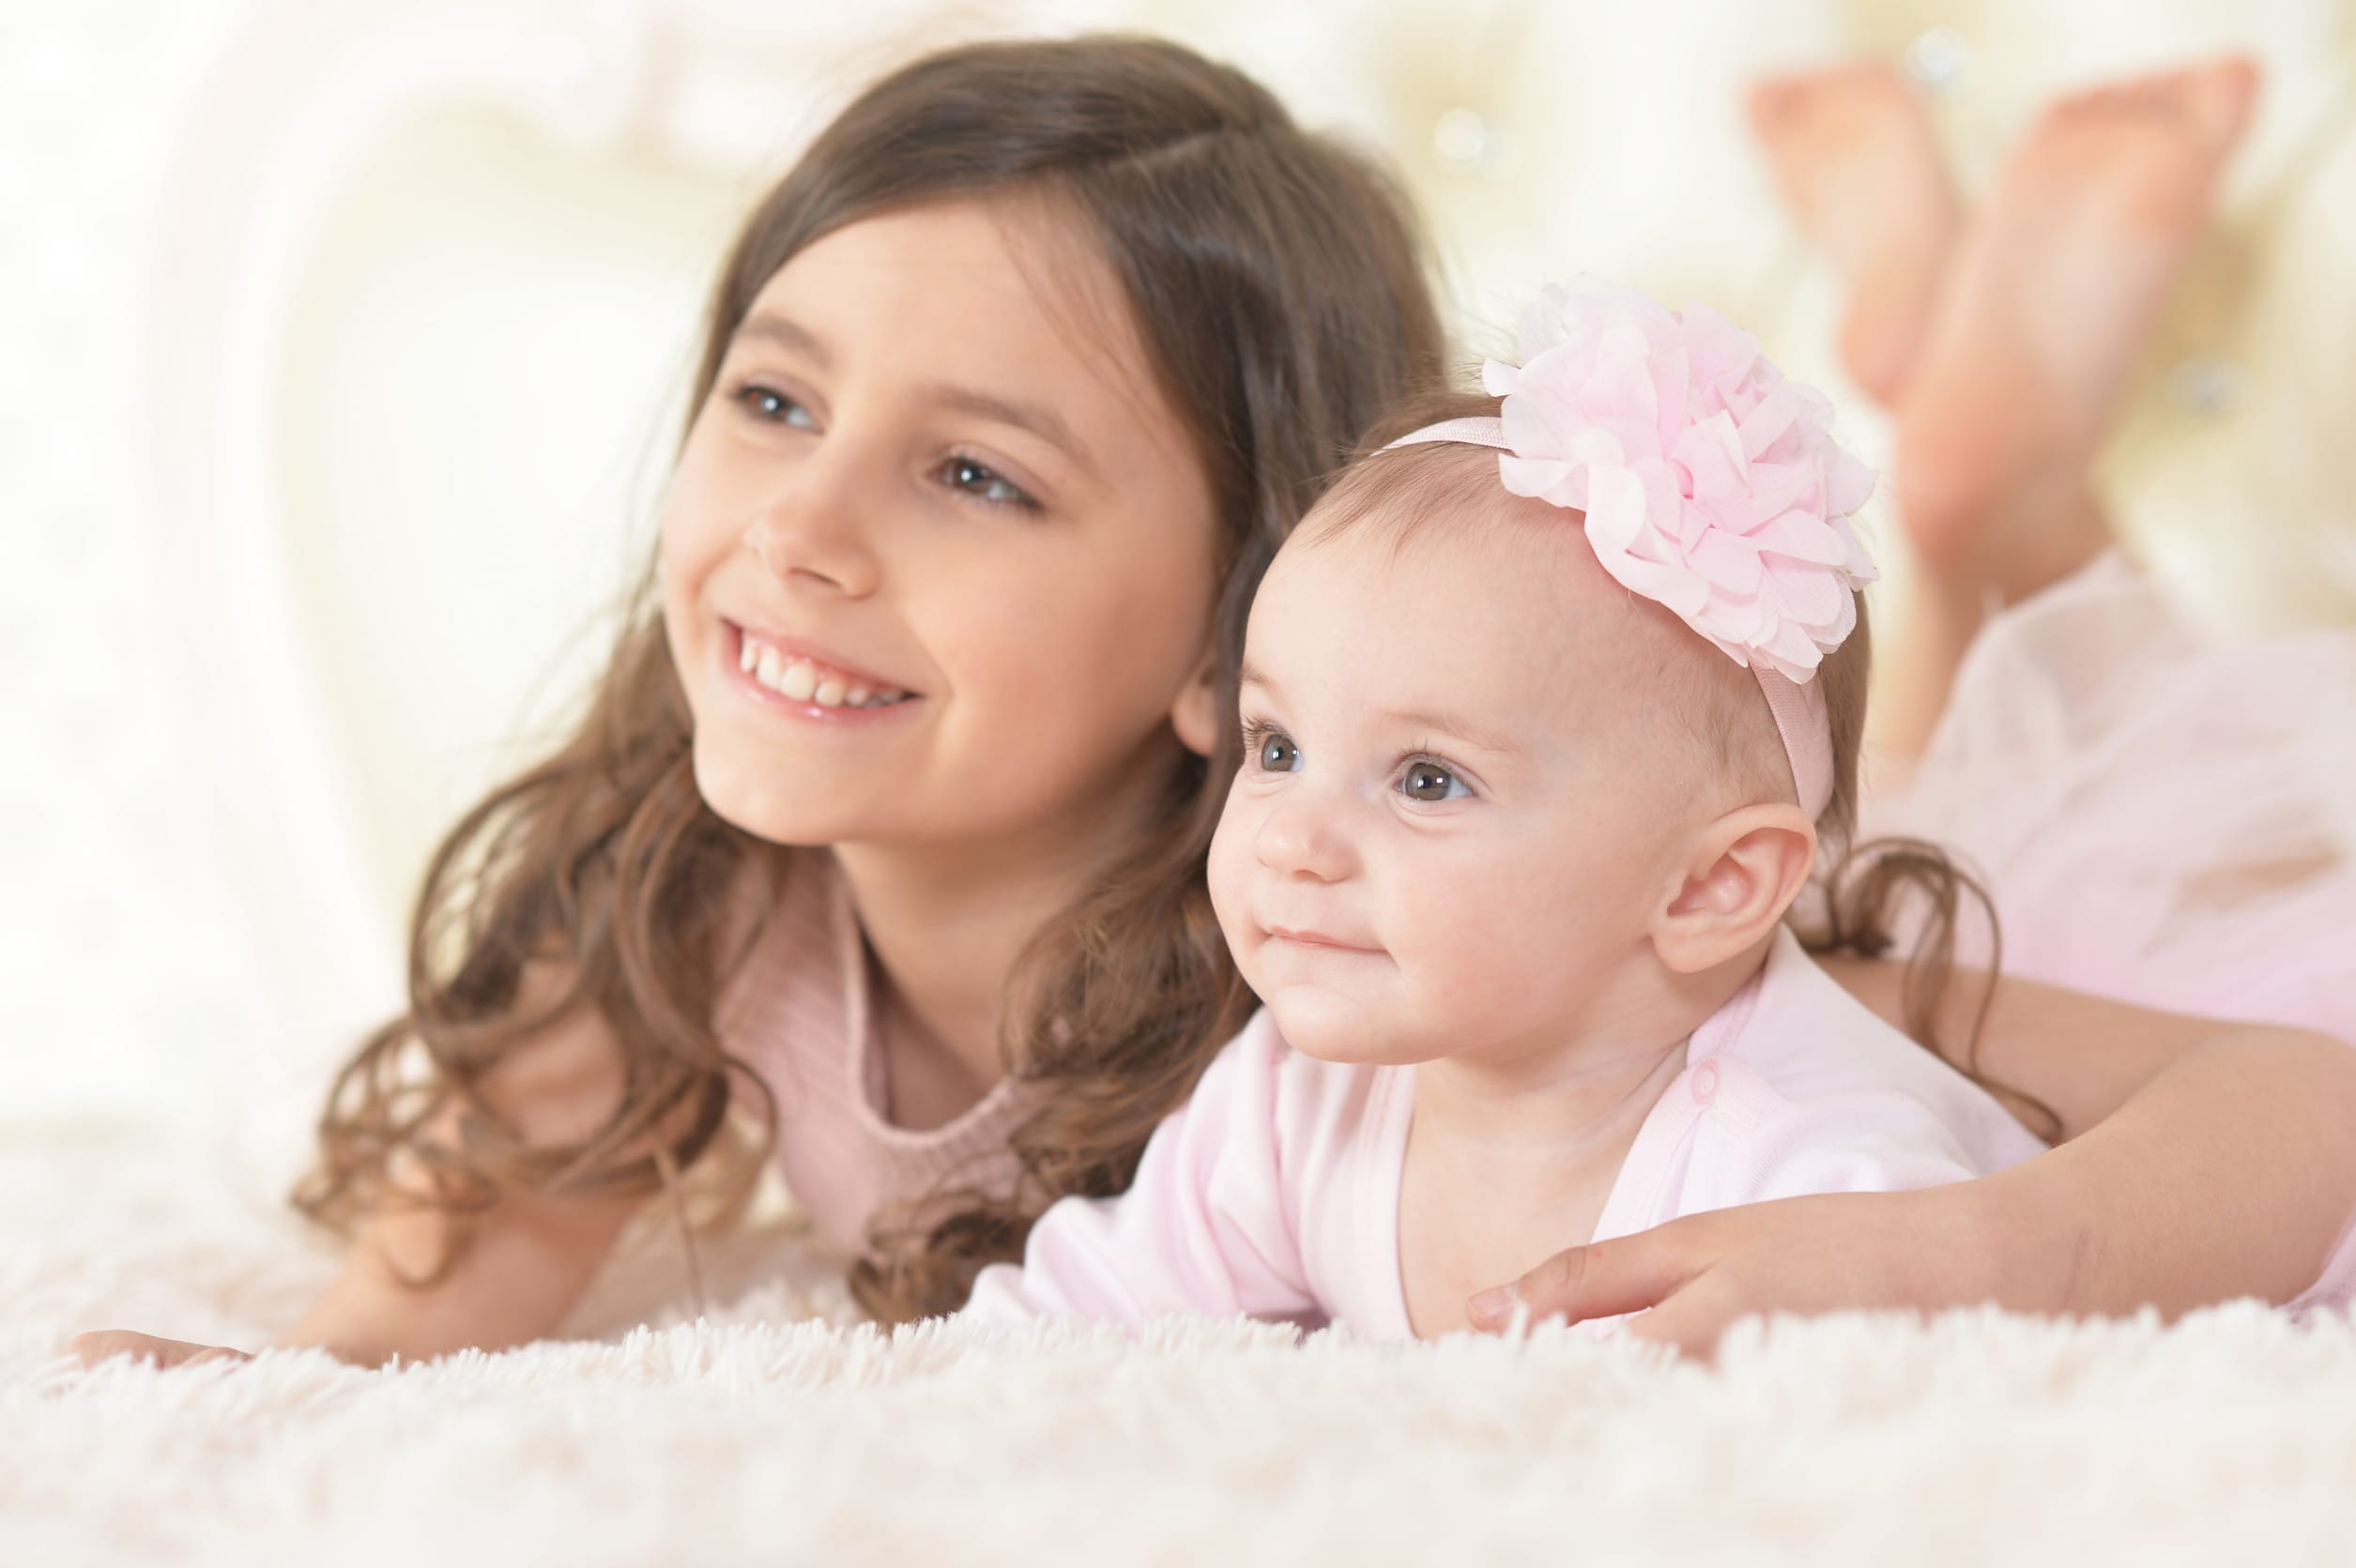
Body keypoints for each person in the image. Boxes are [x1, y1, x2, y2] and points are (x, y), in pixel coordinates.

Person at [71, 38, 2356, 1372]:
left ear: (1233, 628)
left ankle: (1980, 482)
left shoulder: (1500, 915)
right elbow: (407, 1331)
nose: (805, 528)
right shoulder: (683, 895)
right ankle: (1954, 439)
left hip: (1741, 855)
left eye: (974, 471)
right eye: (771, 399)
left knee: (1940, 797)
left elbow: (2292, 1097)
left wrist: (1952, 1249)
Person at [968, 285, 2076, 1336]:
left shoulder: (1813, 1177)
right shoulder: (1294, 1096)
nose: (1291, 841)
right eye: (1278, 747)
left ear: (1708, 887)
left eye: (1426, 780)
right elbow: (1070, 1322)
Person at [1484, 55, 2356, 1346]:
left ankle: (1994, 507)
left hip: (2164, 1086)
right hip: (2043, 1003)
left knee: (1876, 919)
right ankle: (1996, 510)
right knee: (1893, 900)